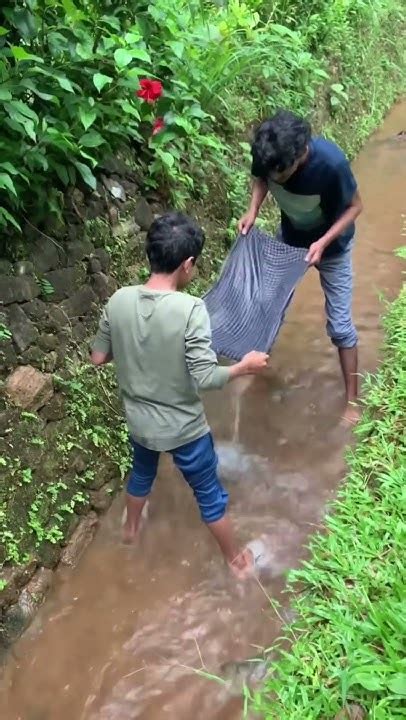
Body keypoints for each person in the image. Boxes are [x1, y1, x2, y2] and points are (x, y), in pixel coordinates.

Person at [91, 212, 268, 577]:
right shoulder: (190, 310)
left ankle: (130, 531)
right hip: (184, 428)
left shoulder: (118, 300)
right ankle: (237, 561)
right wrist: (244, 366)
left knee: (141, 474)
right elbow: (205, 376)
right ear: (187, 264)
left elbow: (98, 357)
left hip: (140, 424)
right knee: (209, 494)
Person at [239, 110, 363, 424]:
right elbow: (260, 178)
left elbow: (356, 207)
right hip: (291, 240)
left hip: (333, 247)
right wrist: (253, 209)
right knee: (267, 304)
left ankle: (352, 401)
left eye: (282, 173)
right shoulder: (268, 153)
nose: (276, 179)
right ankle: (254, 369)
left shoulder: (331, 164)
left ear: (302, 153)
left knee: (340, 325)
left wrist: (323, 242)